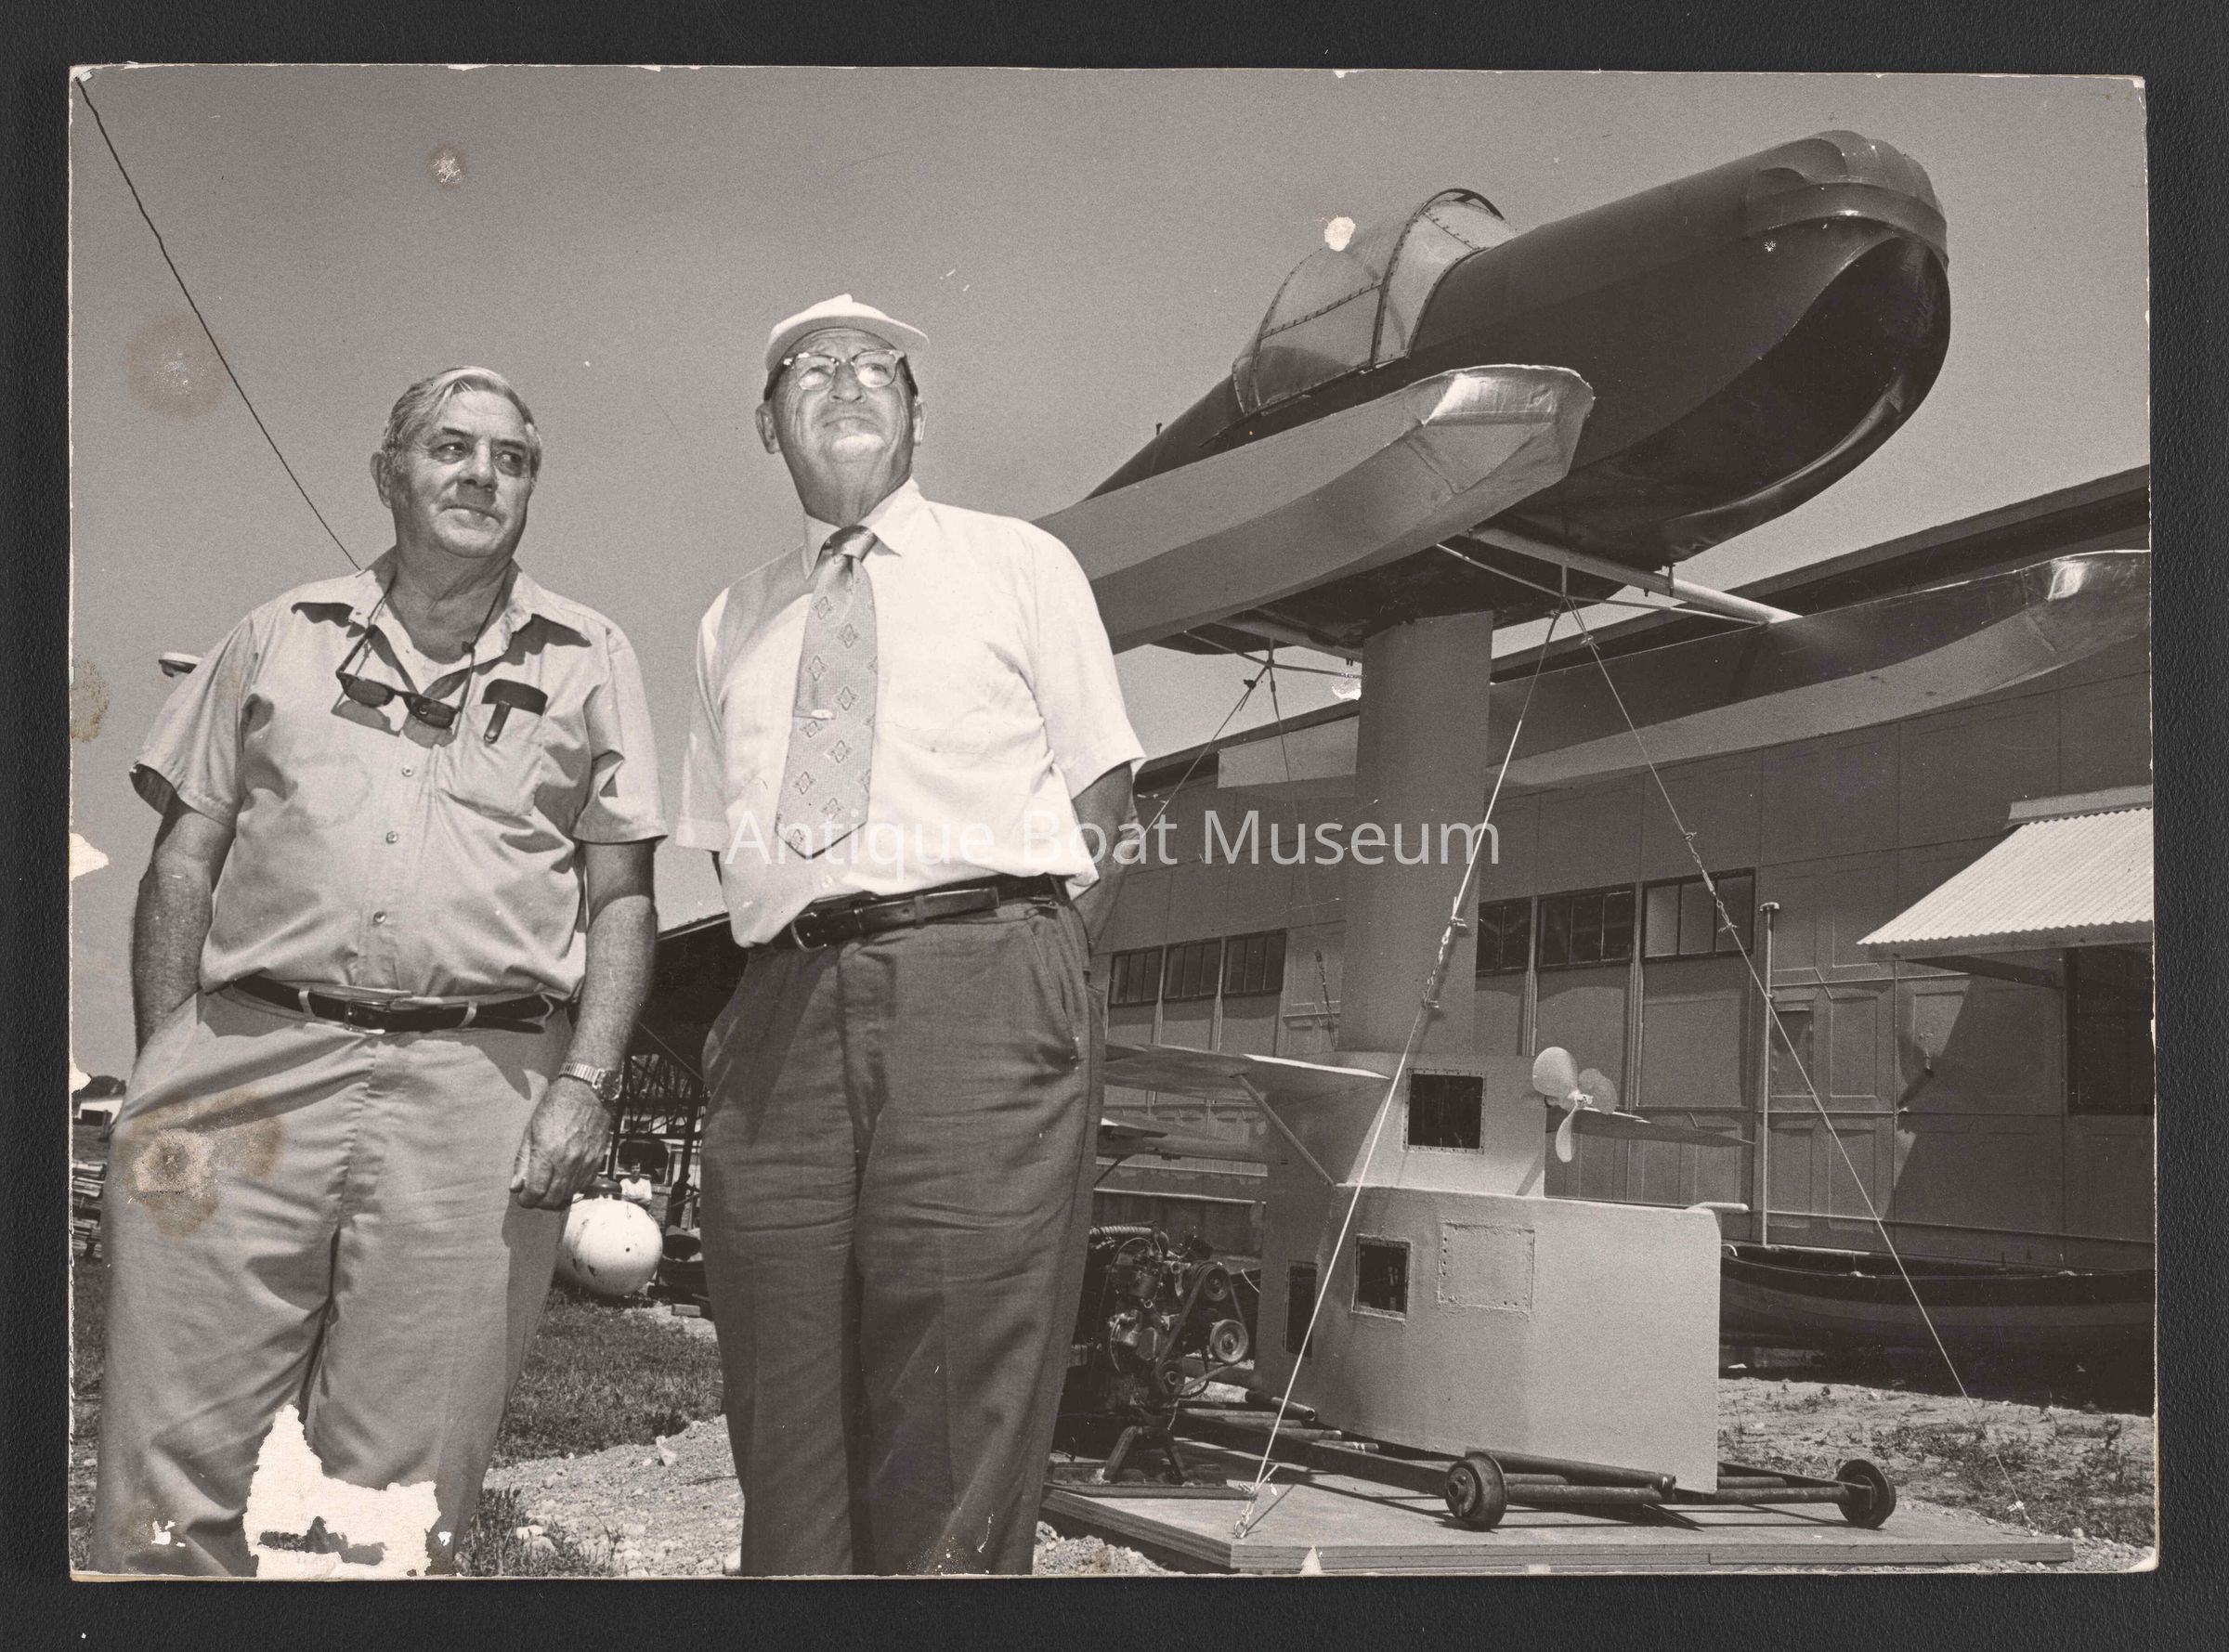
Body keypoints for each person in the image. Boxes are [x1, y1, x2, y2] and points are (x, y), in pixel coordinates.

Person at [89, 367, 665, 1575]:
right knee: (172, 1482)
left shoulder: (591, 656)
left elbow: (622, 899)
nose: (481, 476)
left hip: (479, 1094)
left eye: (511, 459)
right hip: (248, 1066)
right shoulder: (277, 635)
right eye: (450, 448)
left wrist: (586, 1085)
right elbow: (184, 857)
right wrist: (167, 1061)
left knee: (395, 1506)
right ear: (388, 473)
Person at [678, 295, 1143, 1575]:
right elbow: (728, 843)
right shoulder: (728, 621)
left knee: (956, 1407)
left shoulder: (1021, 565)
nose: (843, 382)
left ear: (918, 417)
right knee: (784, 1411)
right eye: (807, 369)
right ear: (765, 426)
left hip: (978, 987)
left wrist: (1026, 970)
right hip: (781, 1015)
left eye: (875, 367)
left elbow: (1105, 796)